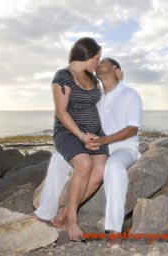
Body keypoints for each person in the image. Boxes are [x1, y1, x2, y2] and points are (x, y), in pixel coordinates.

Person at [34, 57, 142, 247]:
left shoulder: (130, 95)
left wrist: (103, 141)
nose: (97, 65)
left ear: (116, 69)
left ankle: (113, 229)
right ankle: (45, 211)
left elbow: (132, 128)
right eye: (96, 63)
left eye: (103, 62)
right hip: (98, 146)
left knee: (114, 167)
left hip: (123, 147)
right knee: (58, 158)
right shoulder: (97, 97)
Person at [50, 37, 109, 241]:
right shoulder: (63, 76)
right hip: (69, 133)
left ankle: (65, 211)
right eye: (97, 58)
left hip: (95, 134)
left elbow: (104, 102)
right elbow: (61, 111)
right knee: (84, 164)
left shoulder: (92, 78)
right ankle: (72, 219)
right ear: (88, 56)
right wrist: (82, 136)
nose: (99, 63)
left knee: (99, 172)